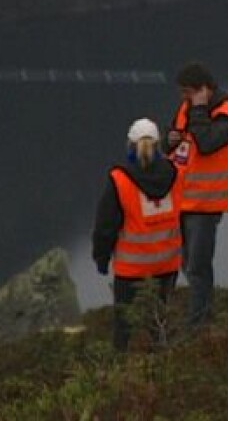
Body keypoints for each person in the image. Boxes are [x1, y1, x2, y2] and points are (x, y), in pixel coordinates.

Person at [92, 117, 183, 352]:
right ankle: (162, 369)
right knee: (160, 321)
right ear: (158, 146)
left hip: (132, 269)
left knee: (124, 327)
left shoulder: (120, 180)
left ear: (131, 147)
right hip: (167, 265)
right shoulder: (174, 174)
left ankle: (121, 372)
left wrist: (101, 258)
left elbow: (106, 225)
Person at [164, 62, 228, 328]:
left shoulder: (227, 116)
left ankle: (198, 325)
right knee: (187, 264)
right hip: (182, 201)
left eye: (188, 92)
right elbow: (174, 142)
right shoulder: (187, 109)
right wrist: (169, 140)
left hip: (206, 204)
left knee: (198, 266)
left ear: (203, 90)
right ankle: (200, 317)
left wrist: (198, 109)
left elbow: (207, 144)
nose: (183, 98)